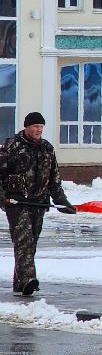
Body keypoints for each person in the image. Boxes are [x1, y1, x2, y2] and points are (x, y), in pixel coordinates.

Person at [0, 113, 76, 296]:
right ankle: (29, 280)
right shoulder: (11, 146)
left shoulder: (47, 149)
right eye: (35, 126)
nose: (38, 130)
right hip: (17, 203)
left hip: (39, 203)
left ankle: (20, 283)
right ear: (26, 127)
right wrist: (3, 198)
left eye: (41, 126)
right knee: (23, 241)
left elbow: (54, 179)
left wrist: (62, 202)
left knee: (30, 243)